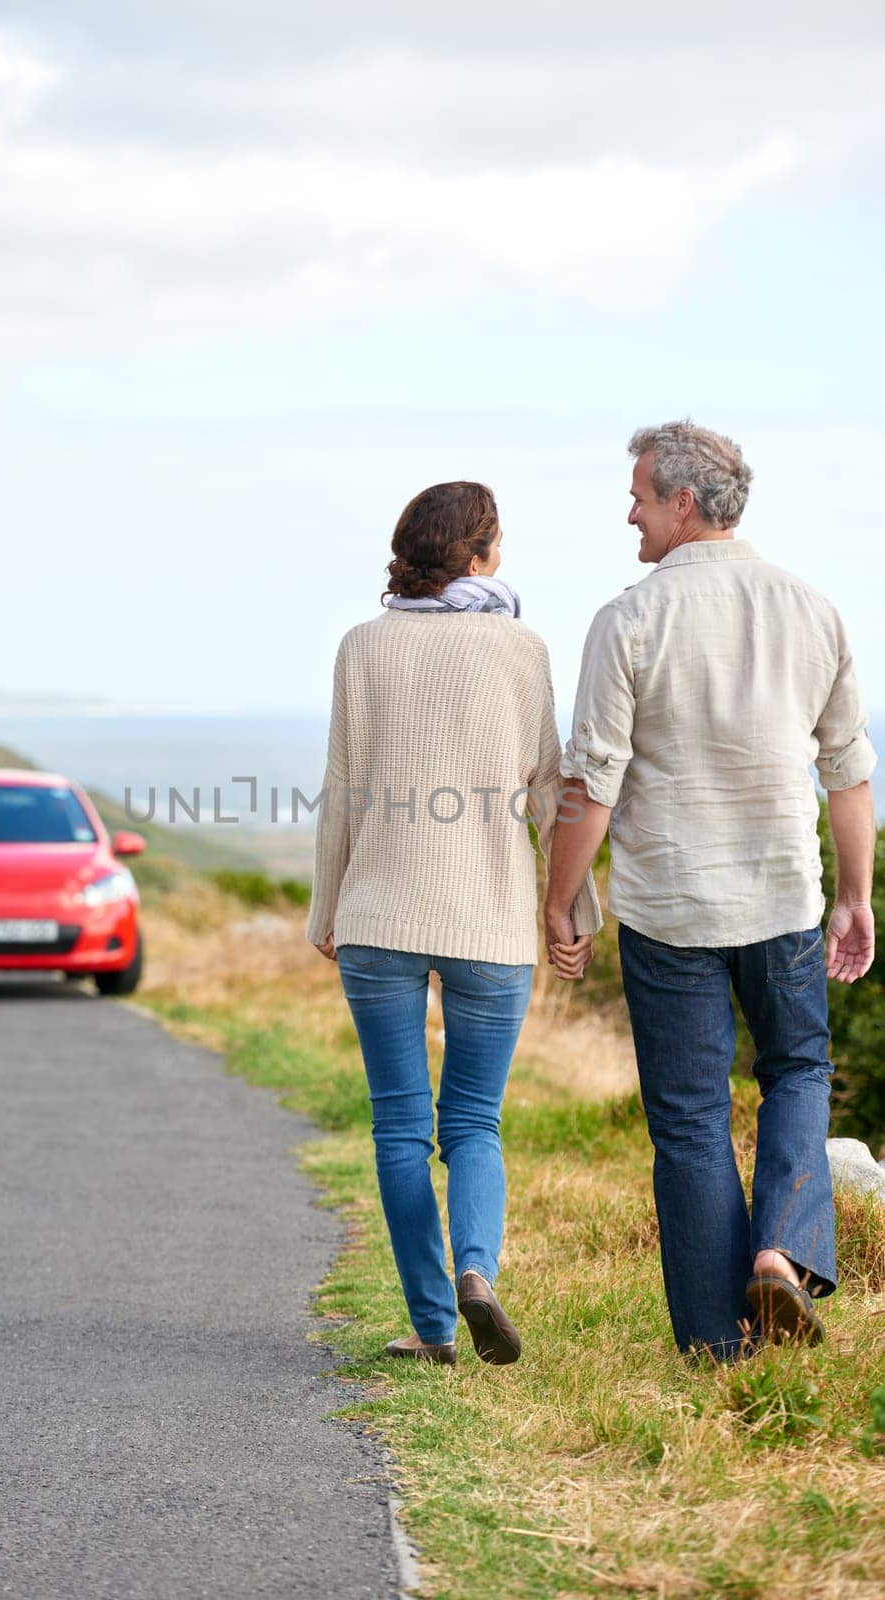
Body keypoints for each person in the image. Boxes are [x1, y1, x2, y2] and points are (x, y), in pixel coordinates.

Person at [545, 420, 877, 1361]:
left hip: (670, 910)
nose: (631, 513)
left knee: (689, 1120)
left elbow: (591, 782)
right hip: (785, 900)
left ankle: (714, 1344)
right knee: (798, 1073)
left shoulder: (628, 620)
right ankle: (783, 1252)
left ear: (684, 503)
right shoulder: (813, 610)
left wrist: (561, 898)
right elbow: (848, 773)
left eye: (642, 496)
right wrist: (857, 894)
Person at [305, 481, 602, 1366]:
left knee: (399, 1126)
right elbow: (553, 792)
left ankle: (434, 1327)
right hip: (493, 922)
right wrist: (572, 909)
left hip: (379, 917)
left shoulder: (363, 645)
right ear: (477, 557)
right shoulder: (520, 648)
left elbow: (341, 796)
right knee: (473, 1121)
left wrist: (329, 908)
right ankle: (479, 1271)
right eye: (497, 542)